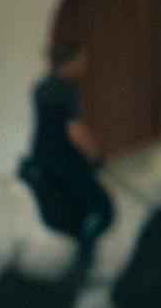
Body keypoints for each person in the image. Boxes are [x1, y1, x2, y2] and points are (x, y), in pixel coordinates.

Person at [25, 44, 113, 276]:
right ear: (70, 63)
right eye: (80, 62)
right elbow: (76, 131)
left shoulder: (41, 87)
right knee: (102, 206)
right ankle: (83, 255)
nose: (83, 67)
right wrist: (96, 156)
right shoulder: (67, 90)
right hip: (62, 160)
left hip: (39, 158)